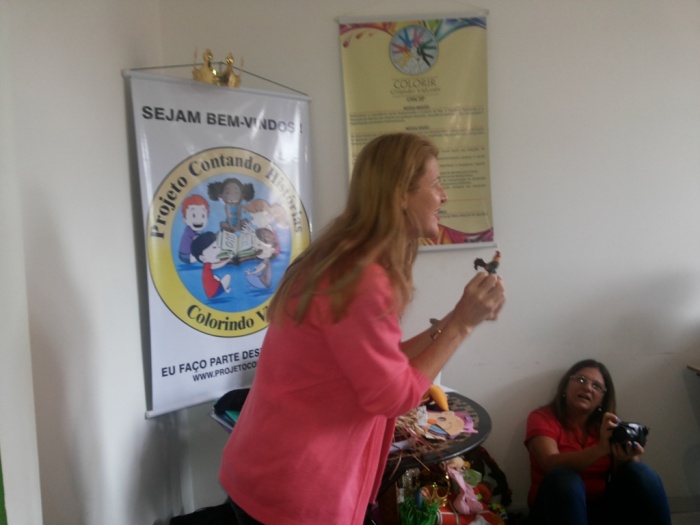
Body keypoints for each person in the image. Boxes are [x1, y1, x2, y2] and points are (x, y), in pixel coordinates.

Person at [218, 132, 506, 525]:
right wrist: (462, 324)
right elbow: (393, 396)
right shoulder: (362, 278)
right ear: (400, 194)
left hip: (268, 472)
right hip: (295, 490)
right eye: (435, 183)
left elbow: (368, 365)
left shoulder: (343, 258)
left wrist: (451, 320)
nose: (444, 196)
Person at [524, 359, 671, 525]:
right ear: (565, 386)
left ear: (601, 400)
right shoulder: (542, 417)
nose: (587, 388)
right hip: (553, 511)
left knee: (641, 472)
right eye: (581, 379)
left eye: (596, 386)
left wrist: (626, 457)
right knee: (564, 478)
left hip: (600, 508)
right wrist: (600, 449)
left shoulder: (607, 426)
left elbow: (620, 477)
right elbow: (549, 463)